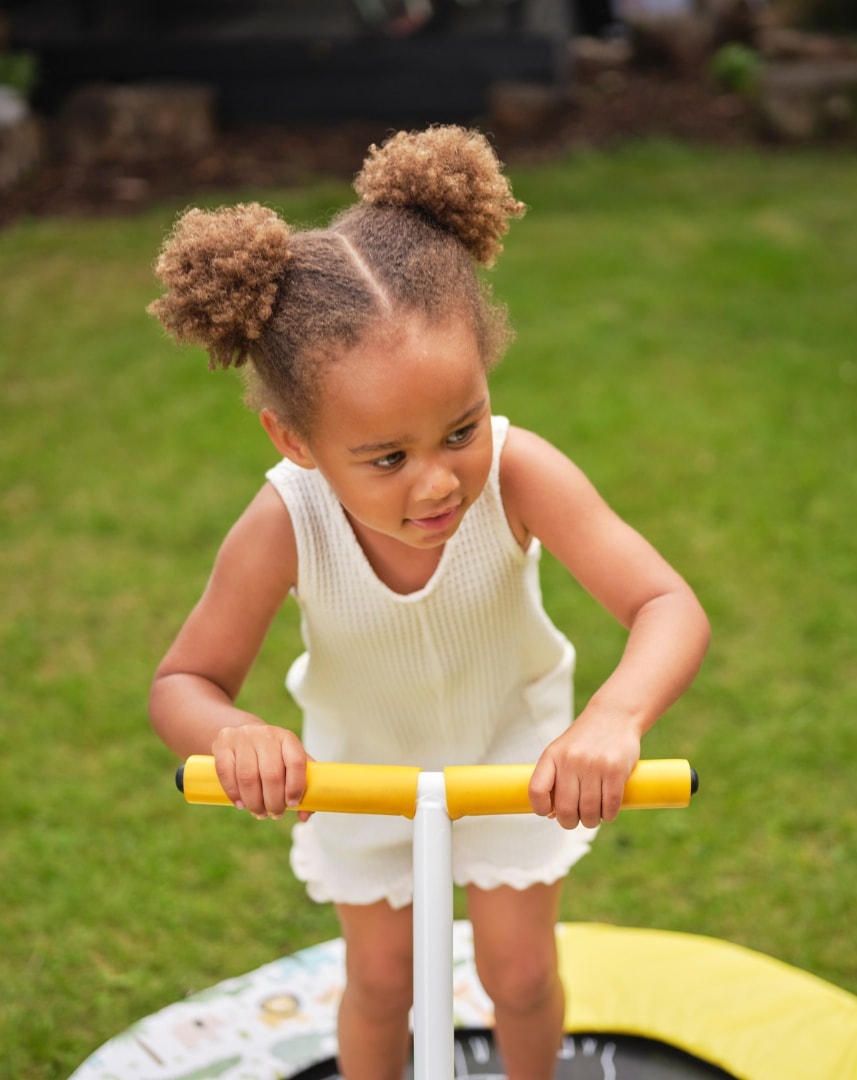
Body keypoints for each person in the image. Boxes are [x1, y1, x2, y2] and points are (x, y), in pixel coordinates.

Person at [147, 124, 710, 1080]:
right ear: (295, 442)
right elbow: (184, 681)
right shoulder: (287, 520)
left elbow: (666, 603)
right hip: (360, 778)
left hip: (514, 762)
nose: (438, 482)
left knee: (521, 973)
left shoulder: (520, 474)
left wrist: (613, 719)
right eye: (387, 458)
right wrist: (229, 734)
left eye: (462, 428)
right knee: (381, 984)